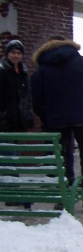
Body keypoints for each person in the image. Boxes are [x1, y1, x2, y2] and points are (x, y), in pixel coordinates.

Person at [31, 35, 83, 212]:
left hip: (55, 120)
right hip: (81, 117)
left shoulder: (42, 66)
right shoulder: (80, 61)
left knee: (62, 158)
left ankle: (63, 198)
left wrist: (46, 116)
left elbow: (36, 96)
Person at [1, 39, 35, 209]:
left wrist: (27, 116)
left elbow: (26, 97)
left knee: (13, 157)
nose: (16, 55)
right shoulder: (2, 72)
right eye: (13, 52)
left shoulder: (22, 72)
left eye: (19, 53)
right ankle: (10, 192)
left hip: (18, 122)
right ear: (7, 54)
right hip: (5, 123)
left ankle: (12, 190)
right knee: (7, 158)